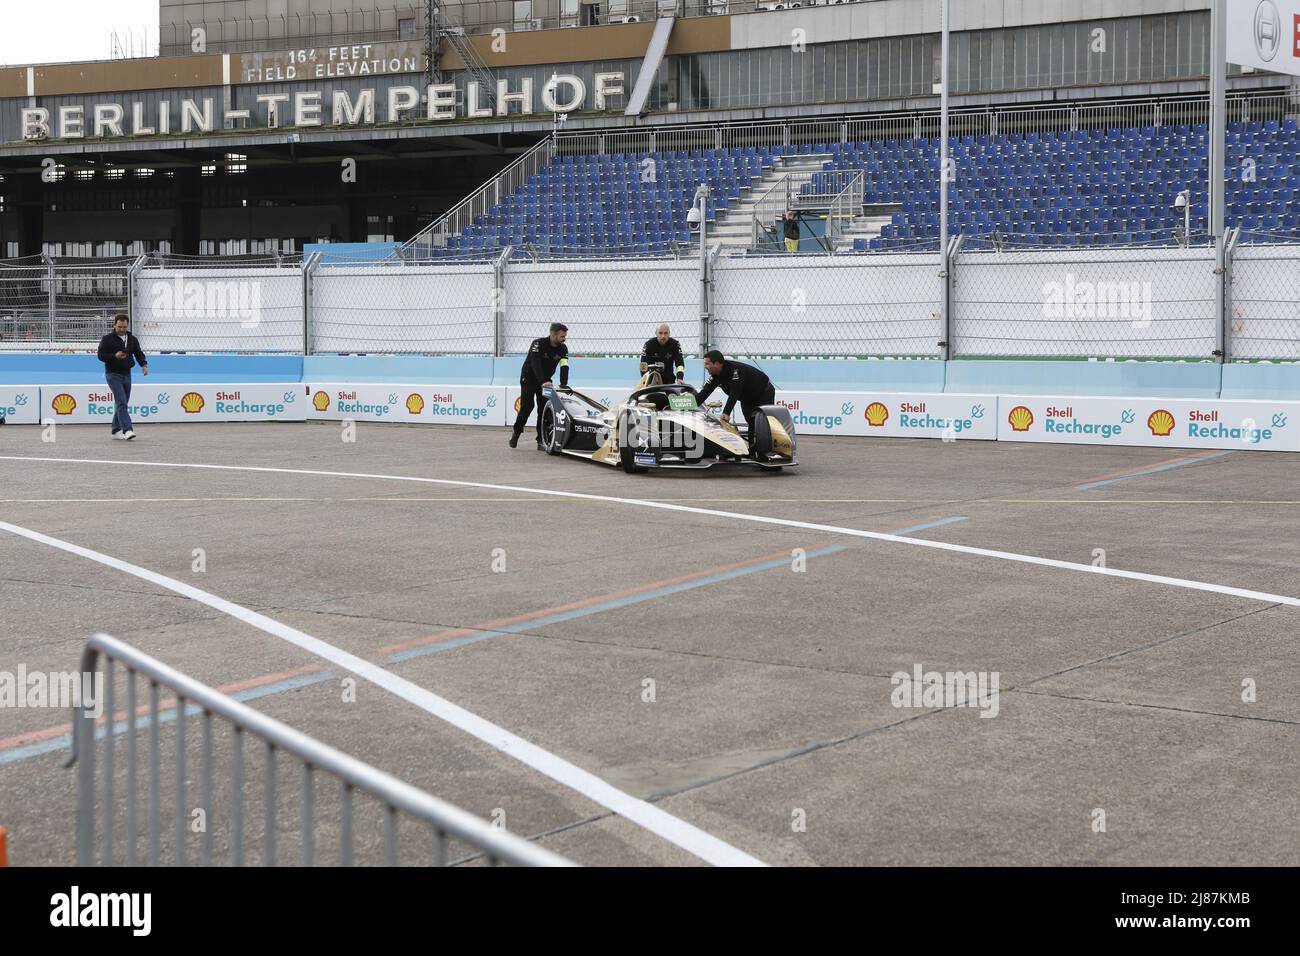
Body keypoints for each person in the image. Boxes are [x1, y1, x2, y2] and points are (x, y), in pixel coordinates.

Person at [510, 322, 569, 448]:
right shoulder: (537, 344)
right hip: (529, 379)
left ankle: (541, 440)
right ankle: (516, 433)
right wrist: (543, 381)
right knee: (527, 407)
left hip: (545, 381)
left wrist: (564, 384)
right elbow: (535, 364)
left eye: (565, 336)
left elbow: (564, 366)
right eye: (562, 336)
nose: (564, 339)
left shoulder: (563, 348)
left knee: (543, 410)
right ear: (553, 335)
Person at [96, 313, 149, 440]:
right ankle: (127, 430)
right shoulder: (107, 339)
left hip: (127, 374)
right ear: (114, 325)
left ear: (127, 326)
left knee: (123, 403)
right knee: (121, 401)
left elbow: (138, 353)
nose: (122, 329)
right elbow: (100, 355)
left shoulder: (132, 339)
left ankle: (115, 430)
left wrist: (144, 365)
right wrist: (114, 356)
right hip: (112, 374)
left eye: (124, 327)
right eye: (119, 327)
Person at [697, 349, 775, 433]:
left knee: (763, 425)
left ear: (717, 364)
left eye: (707, 364)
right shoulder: (715, 375)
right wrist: (687, 405)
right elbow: (704, 393)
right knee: (752, 425)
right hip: (747, 399)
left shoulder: (735, 370)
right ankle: (753, 444)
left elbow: (735, 392)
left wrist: (726, 413)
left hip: (764, 394)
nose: (705, 367)